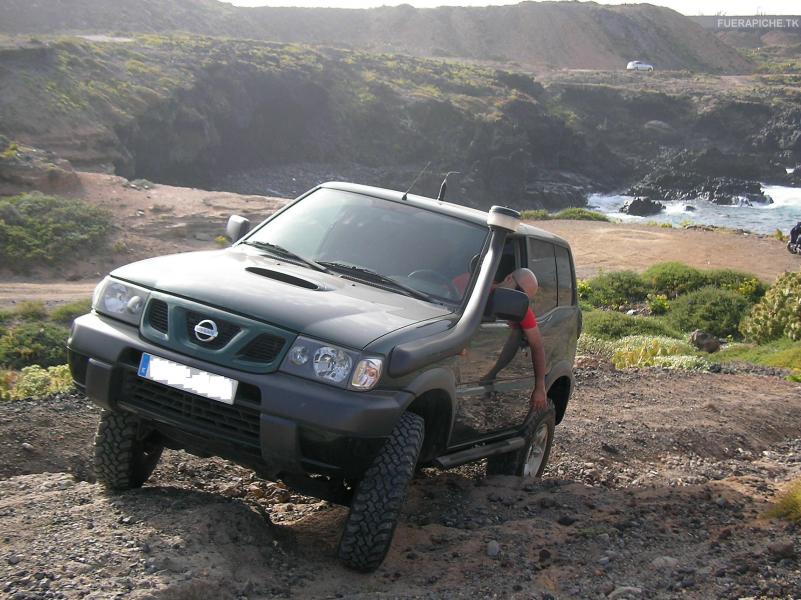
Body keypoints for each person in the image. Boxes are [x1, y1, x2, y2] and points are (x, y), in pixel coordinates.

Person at [482, 267, 548, 412]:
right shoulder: (474, 285)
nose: (519, 299)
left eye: (524, 298)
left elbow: (537, 346)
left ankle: (490, 375)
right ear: (509, 278)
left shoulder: (520, 308)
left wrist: (539, 388)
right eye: (519, 292)